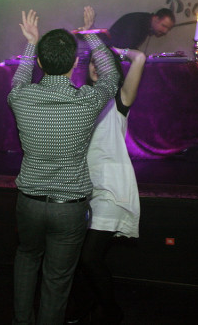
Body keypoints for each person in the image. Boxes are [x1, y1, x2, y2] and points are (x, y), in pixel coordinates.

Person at [8, 10, 120, 325]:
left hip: (29, 203)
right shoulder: (87, 100)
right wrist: (91, 36)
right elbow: (111, 77)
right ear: (75, 63)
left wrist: (31, 44)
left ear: (40, 64)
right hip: (68, 207)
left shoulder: (20, 97)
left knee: (26, 259)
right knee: (57, 279)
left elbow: (19, 78)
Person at [67, 46, 146, 324]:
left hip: (111, 189)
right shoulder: (80, 98)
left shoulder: (119, 99)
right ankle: (84, 303)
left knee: (89, 257)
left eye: (103, 63)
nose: (96, 66)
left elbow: (140, 58)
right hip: (82, 188)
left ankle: (111, 310)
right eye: (93, 62)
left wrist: (115, 50)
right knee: (77, 257)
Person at [81, 5, 175, 51]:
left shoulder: (143, 21)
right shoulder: (139, 23)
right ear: (156, 18)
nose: (165, 31)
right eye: (164, 26)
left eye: (168, 29)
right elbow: (126, 47)